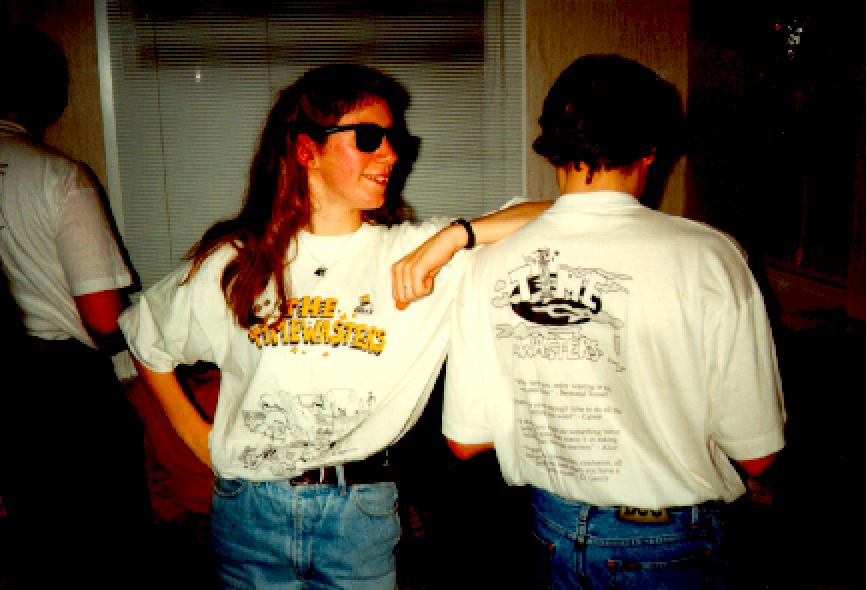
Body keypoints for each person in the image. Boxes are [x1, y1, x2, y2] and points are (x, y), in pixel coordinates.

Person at [119, 63, 549, 589]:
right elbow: (145, 336)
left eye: (393, 139)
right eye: (368, 138)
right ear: (307, 149)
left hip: (358, 517)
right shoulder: (239, 259)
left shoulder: (416, 254)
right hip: (249, 513)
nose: (390, 154)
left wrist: (454, 237)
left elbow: (561, 214)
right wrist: (198, 438)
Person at [441, 54, 786, 589]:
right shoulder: (709, 256)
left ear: (551, 144)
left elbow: (466, 441)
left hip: (549, 533)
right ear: (650, 151)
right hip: (671, 544)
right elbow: (757, 453)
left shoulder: (485, 262)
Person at [0, 25, 151, 587]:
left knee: (33, 550)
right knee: (105, 550)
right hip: (62, 394)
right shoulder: (60, 178)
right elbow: (104, 321)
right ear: (52, 96)